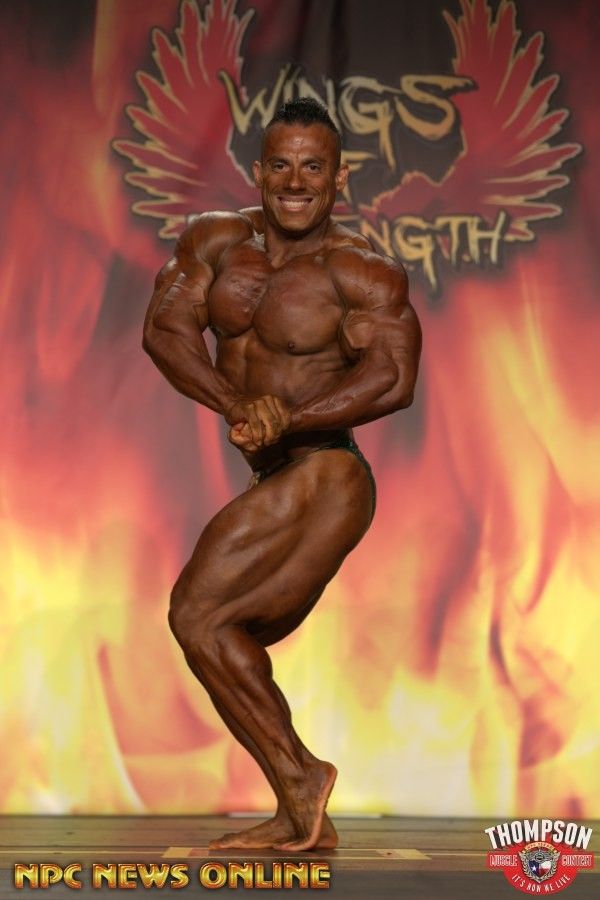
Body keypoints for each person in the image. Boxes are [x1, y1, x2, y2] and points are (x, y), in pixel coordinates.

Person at [143, 98, 421, 851]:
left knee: (198, 613)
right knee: (214, 630)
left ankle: (301, 779)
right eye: (282, 165)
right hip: (274, 477)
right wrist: (237, 403)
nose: (296, 181)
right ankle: (301, 798)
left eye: (313, 167)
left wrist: (289, 418)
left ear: (339, 178)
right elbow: (164, 330)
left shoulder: (361, 270)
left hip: (328, 472)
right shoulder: (215, 241)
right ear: (259, 172)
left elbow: (394, 378)